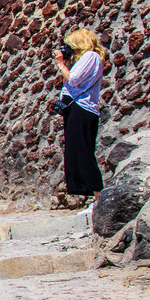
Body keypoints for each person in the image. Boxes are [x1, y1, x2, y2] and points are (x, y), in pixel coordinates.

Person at [56, 27, 106, 201]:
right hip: (77, 109)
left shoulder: (90, 56)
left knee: (84, 153)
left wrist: (61, 65)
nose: (68, 48)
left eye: (70, 45)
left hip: (82, 109)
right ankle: (93, 198)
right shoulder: (85, 59)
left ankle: (99, 198)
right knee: (77, 153)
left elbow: (74, 79)